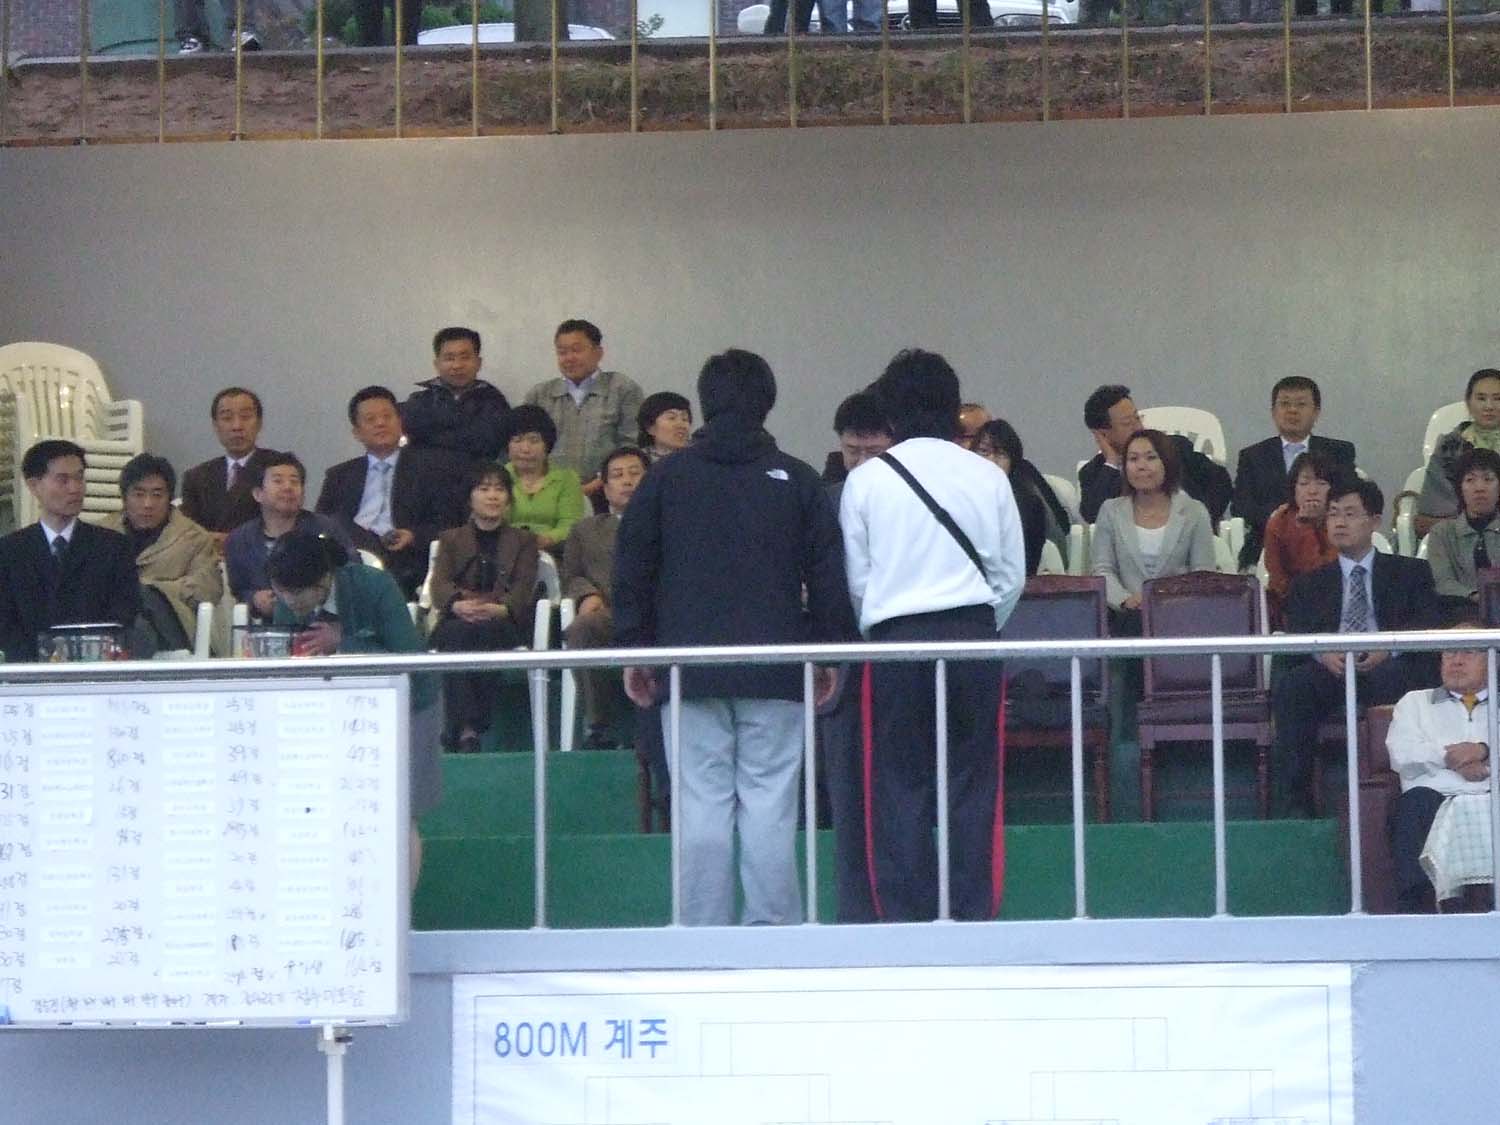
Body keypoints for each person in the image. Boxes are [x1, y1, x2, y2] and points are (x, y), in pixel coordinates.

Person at [614, 348, 855, 927]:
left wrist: (635, 648)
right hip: (777, 666)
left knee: (701, 805)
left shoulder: (665, 478)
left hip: (687, 667)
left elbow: (633, 568)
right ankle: (772, 933)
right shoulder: (797, 479)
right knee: (771, 805)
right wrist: (829, 650)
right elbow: (828, 574)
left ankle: (703, 937)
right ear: (768, 403)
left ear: (703, 404)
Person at [841, 349, 1025, 922]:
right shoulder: (988, 476)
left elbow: (859, 582)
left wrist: (887, 621)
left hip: (896, 643)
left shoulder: (866, 481)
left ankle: (906, 921)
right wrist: (979, 625)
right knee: (974, 783)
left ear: (890, 412)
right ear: (953, 407)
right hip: (972, 637)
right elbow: (1010, 576)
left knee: (898, 785)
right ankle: (972, 917)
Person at [265, 529, 440, 889]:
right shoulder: (287, 599)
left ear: (323, 582)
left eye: (296, 593)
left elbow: (409, 660)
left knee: (401, 812)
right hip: (339, 714)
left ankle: (401, 907)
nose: (288, 601)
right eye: (280, 591)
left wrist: (343, 643)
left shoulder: (375, 586)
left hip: (409, 705)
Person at [1273, 477, 1442, 815]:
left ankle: (1405, 796)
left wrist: (1389, 648)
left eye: (1350, 514)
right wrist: (1322, 653)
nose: (1339, 522)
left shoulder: (1410, 572)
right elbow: (1296, 634)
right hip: (1333, 672)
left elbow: (1427, 624)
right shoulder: (1309, 582)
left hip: (1389, 668)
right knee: (1294, 687)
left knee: (1403, 676)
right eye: (1333, 513)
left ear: (1374, 521)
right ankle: (1296, 804)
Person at [819, 389, 892, 924]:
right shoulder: (825, 501)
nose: (862, 463)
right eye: (852, 452)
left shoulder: (912, 501)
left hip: (901, 655)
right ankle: (856, 915)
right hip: (844, 662)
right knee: (848, 797)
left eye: (873, 452)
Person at [428, 462, 540, 754]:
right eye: (484, 489)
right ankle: (469, 729)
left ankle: (461, 728)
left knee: (482, 633)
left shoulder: (524, 540)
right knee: (458, 634)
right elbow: (439, 584)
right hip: (460, 616)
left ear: (508, 498)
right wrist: (457, 605)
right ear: (470, 497)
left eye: (500, 489)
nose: (493, 496)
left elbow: (524, 586)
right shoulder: (450, 539)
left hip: (502, 619)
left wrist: (500, 609)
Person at [315, 386, 467, 599]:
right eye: (370, 419)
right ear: (356, 432)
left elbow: (449, 524)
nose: (380, 423)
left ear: (400, 422)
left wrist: (413, 536)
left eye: (387, 416)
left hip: (406, 560)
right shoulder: (339, 475)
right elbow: (321, 524)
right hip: (352, 557)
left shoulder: (433, 469)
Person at [0, 440, 141, 663]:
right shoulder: (9, 551)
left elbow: (124, 614)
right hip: (28, 671)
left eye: (79, 477)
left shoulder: (114, 547)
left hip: (95, 667)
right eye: (63, 480)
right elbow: (5, 623)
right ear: (34, 485)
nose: (75, 488)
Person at [1385, 631, 1492, 913]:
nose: (1456, 661)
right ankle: (1417, 916)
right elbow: (1402, 754)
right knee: (1415, 803)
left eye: (1468, 652)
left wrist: (1484, 751)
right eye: (1449, 653)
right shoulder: (1414, 702)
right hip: (1433, 799)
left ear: (1492, 659)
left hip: (1491, 797)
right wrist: (1451, 757)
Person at [561, 446, 649, 750]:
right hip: (609, 613)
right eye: (618, 475)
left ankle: (658, 723)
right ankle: (597, 726)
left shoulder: (671, 523)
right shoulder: (585, 530)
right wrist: (586, 594)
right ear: (606, 487)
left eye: (635, 473)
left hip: (656, 613)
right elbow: (570, 575)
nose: (627, 481)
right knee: (583, 628)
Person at [1090, 429, 1216, 631]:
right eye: (1133, 459)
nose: (1141, 466)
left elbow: (1203, 573)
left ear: (1167, 463)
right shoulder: (1110, 511)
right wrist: (1126, 600)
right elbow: (1102, 569)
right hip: (1126, 615)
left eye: (1150, 458)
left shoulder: (1194, 511)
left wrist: (1171, 602)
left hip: (1181, 615)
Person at [101, 453, 222, 655]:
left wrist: (154, 590)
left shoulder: (194, 537)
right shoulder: (102, 533)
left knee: (140, 605)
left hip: (175, 631)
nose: (148, 504)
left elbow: (208, 589)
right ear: (124, 498)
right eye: (139, 494)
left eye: (157, 495)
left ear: (170, 499)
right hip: (113, 627)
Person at [1231, 376, 1357, 569]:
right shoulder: (1253, 456)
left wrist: (1316, 516)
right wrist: (1285, 520)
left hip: (1328, 540)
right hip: (1267, 541)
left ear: (1316, 412)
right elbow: (1242, 506)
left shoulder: (1339, 452)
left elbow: (1350, 497)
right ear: (1273, 412)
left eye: (1301, 404)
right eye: (1285, 404)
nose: (1292, 410)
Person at [523, 319, 643, 506]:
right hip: (548, 494)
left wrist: (596, 484)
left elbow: (631, 445)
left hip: (608, 494)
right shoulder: (539, 395)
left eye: (576, 350)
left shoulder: (622, 389)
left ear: (598, 353)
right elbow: (525, 448)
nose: (569, 358)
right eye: (562, 352)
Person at [1077, 384, 1232, 526]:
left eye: (1137, 418)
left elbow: (1221, 482)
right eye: (1127, 423)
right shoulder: (1093, 473)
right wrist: (1112, 462)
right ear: (1104, 435)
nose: (1138, 427)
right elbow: (1093, 515)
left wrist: (1199, 520)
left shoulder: (1175, 447)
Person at [224, 453, 354, 618]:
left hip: (323, 620)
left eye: (294, 482)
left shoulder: (325, 528)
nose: (288, 487)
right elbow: (238, 589)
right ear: (258, 494)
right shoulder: (240, 539)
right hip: (265, 624)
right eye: (278, 481)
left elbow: (351, 572)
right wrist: (254, 599)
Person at [179, 386, 280, 543]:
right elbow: (188, 531)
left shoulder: (277, 466)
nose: (237, 426)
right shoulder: (196, 477)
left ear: (259, 423)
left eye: (245, 417)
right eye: (227, 418)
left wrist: (232, 542)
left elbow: (284, 522)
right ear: (215, 426)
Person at [973, 418, 1071, 576]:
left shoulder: (1029, 506)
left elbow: (1026, 565)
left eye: (1001, 454)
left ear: (1013, 462)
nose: (991, 461)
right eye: (984, 452)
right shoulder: (961, 499)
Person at [401, 326, 511, 461]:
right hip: (429, 472)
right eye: (449, 358)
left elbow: (495, 448)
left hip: (479, 473)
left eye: (465, 357)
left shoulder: (494, 402)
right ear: (437, 364)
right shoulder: (420, 401)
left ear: (478, 363)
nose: (457, 365)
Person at [1261, 449, 1341, 629]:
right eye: (1304, 483)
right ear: (1293, 488)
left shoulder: (1343, 519)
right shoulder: (1279, 521)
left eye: (1321, 483)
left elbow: (1331, 573)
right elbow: (1277, 579)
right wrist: (1305, 526)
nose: (1312, 491)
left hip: (1339, 603)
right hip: (1293, 607)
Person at [1417, 368, 1500, 539]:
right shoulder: (1449, 447)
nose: (1489, 406)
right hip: (1456, 535)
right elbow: (1432, 511)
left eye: (1497, 399)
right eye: (1481, 398)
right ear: (1468, 403)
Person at [1424, 447, 1500, 622]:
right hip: (1458, 615)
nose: (1479, 488)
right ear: (1460, 488)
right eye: (1470, 480)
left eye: (1488, 479)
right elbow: (1442, 582)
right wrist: (1477, 597)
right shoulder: (1442, 533)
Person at [503, 403, 587, 552]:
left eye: (534, 440)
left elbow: (571, 524)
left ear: (547, 445)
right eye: (517, 440)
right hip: (505, 551)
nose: (525, 449)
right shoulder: (498, 477)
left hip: (555, 552)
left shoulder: (567, 478)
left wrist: (546, 539)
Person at [635, 391, 693, 463]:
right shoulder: (637, 461)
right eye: (671, 418)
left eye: (685, 419)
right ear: (650, 428)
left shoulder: (700, 455)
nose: (681, 425)